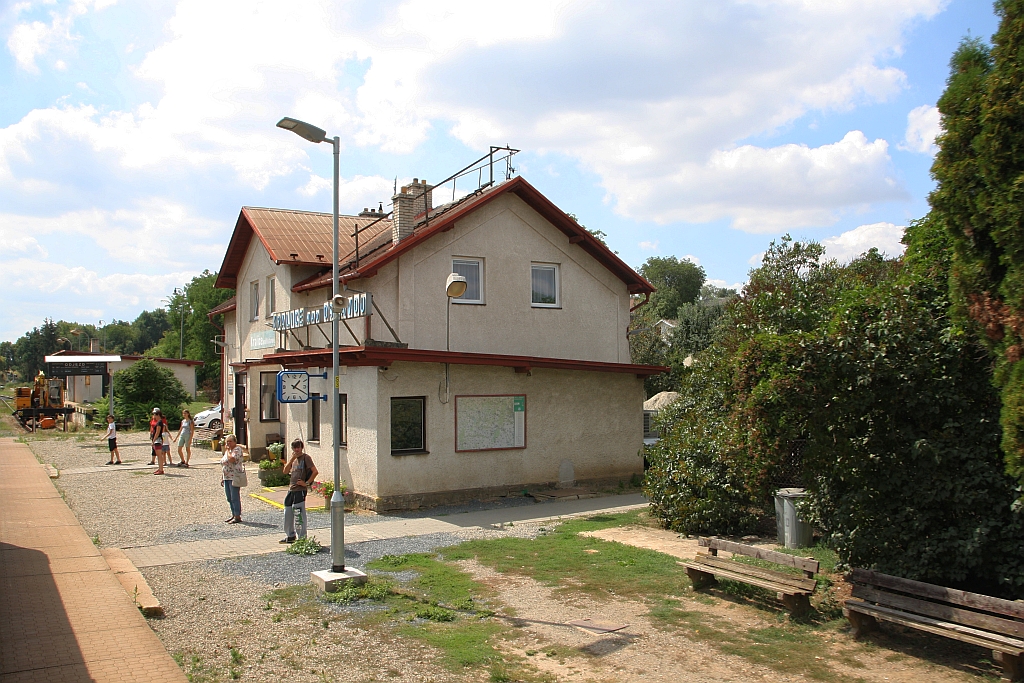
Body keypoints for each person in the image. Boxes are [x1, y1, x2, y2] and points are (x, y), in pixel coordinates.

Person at [280, 439, 318, 544]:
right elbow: (285, 471)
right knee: (287, 511)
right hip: (291, 489)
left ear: (302, 447)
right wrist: (292, 458)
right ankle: (290, 535)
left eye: (298, 447)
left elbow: (315, 471)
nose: (297, 449)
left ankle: (302, 538)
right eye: (295, 447)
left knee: (299, 513)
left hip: (300, 490)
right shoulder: (294, 459)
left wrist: (306, 483)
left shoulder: (306, 458)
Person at [220, 435, 244, 524]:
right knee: (229, 497)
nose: (228, 443)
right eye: (227, 442)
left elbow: (231, 460)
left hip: (234, 476)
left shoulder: (237, 450)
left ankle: (237, 515)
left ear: (234, 442)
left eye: (230, 441)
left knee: (234, 497)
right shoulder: (228, 451)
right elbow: (224, 464)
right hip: (227, 476)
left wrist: (228, 451)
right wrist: (222, 477)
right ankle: (233, 514)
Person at [151, 408, 168, 474]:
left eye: (155, 415)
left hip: (158, 440)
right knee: (158, 455)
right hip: (158, 440)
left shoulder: (159, 423)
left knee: (159, 455)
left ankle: (161, 469)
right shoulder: (159, 422)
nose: (154, 416)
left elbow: (157, 432)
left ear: (158, 415)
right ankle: (160, 468)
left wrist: (153, 441)